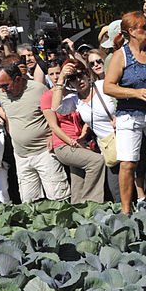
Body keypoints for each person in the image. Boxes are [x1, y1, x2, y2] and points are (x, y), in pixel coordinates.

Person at [103, 10, 146, 215]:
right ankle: (126, 210)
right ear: (131, 31)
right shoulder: (120, 55)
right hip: (129, 114)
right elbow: (108, 87)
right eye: (144, 28)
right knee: (128, 163)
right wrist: (135, 93)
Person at [0, 63, 69, 203]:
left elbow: (57, 116)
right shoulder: (2, 93)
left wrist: (54, 135)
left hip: (44, 152)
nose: (3, 90)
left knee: (59, 198)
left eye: (5, 85)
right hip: (21, 156)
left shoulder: (38, 90)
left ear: (17, 79)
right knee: (29, 202)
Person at [43, 60, 107, 204]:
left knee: (78, 178)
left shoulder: (74, 95)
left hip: (78, 141)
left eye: (58, 73)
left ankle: (77, 208)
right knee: (97, 161)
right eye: (71, 78)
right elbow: (55, 113)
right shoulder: (49, 95)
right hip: (64, 144)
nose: (77, 80)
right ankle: (91, 202)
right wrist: (72, 142)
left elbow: (87, 119)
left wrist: (82, 137)